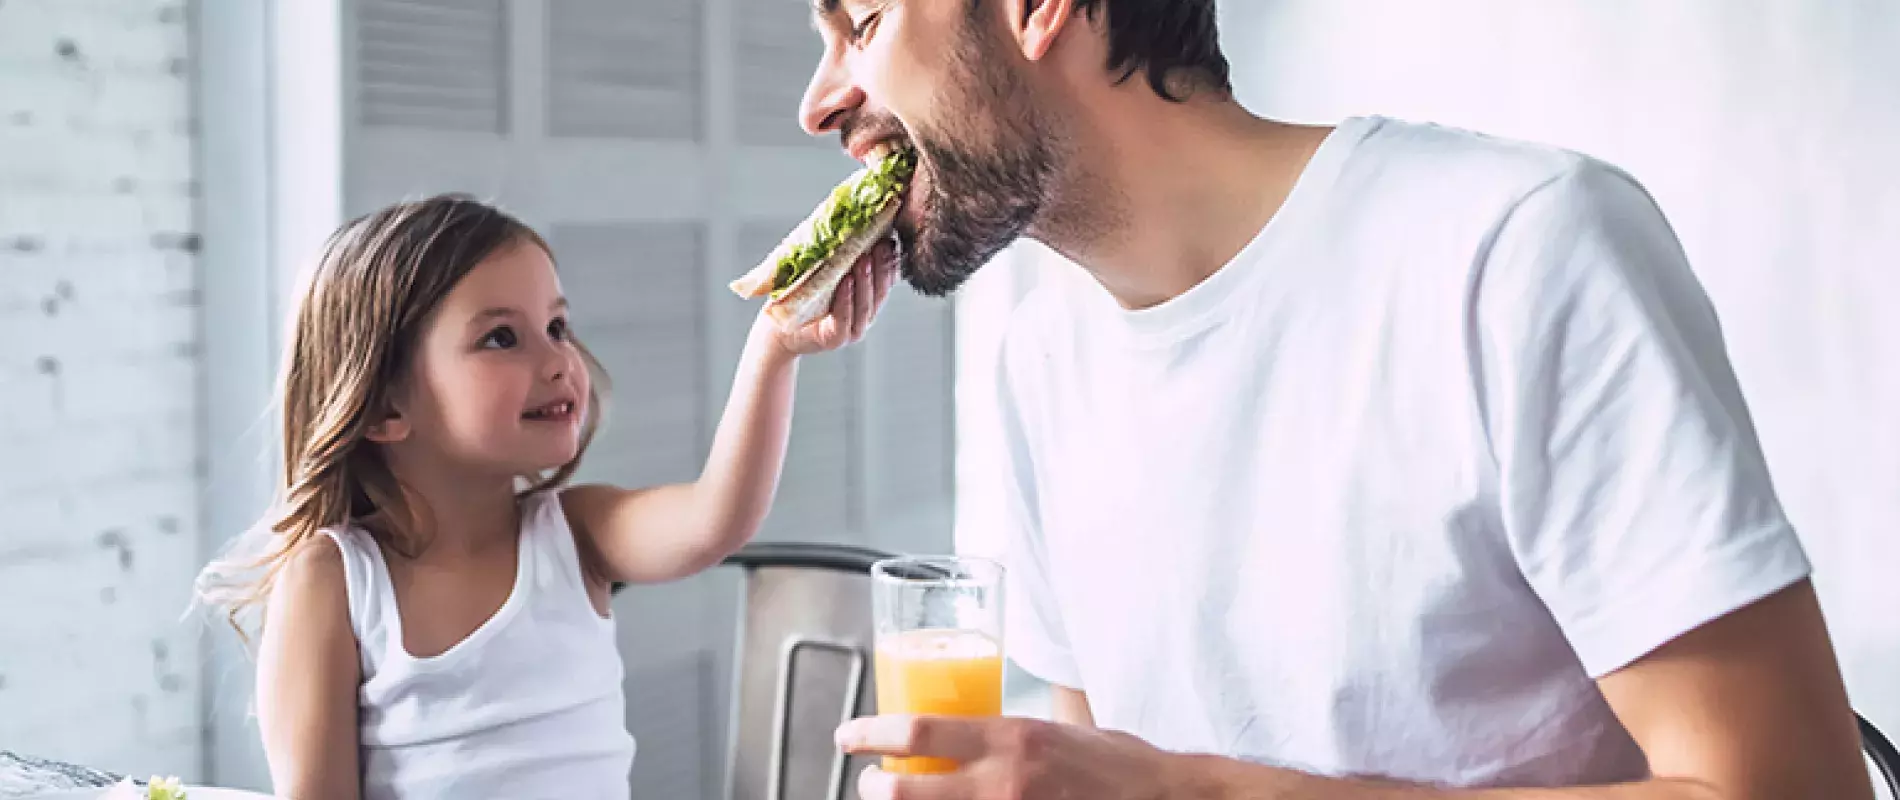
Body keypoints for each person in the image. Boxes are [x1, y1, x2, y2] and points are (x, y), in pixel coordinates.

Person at [801, 1, 1873, 798]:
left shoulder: (1519, 247)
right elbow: (1096, 758)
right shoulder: (1039, 359)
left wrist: (1195, 789)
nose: (819, 102)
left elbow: (1788, 785)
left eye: (864, 23)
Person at [193, 194, 898, 799]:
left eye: (557, 327)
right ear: (383, 407)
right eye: (502, 337)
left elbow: (717, 517)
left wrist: (774, 346)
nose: (558, 360)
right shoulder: (335, 582)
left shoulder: (576, 533)